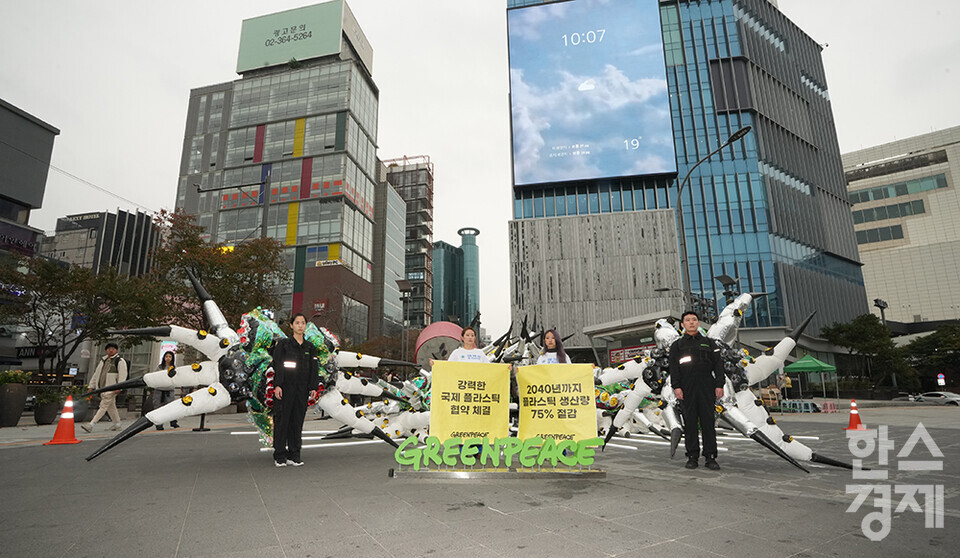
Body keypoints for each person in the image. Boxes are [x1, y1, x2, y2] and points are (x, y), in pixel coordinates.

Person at [669, 311, 725, 471]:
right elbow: (674, 368)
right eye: (687, 320)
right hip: (686, 388)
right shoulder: (677, 345)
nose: (691, 323)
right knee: (690, 422)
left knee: (708, 422)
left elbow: (718, 365)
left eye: (694, 320)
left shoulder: (709, 343)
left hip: (707, 386)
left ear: (698, 323)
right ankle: (692, 456)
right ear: (682, 325)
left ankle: (710, 457)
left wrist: (719, 384)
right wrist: (676, 387)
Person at [270, 313, 320, 467]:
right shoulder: (284, 345)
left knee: (297, 422)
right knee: (282, 421)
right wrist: (277, 385)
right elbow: (278, 365)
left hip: (302, 389)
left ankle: (294, 454)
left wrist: (313, 387)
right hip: (285, 388)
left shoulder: (309, 347)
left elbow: (314, 369)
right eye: (297, 323)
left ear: (306, 326)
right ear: (291, 326)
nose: (300, 325)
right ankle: (280, 455)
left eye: (303, 323)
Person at [82, 342, 128, 433]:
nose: (111, 350)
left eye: (113, 348)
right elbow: (96, 375)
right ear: (106, 350)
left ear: (116, 350)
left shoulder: (119, 361)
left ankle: (91, 424)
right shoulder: (103, 361)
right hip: (103, 387)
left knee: (103, 406)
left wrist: (119, 386)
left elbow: (123, 375)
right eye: (109, 348)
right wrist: (91, 386)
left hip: (111, 388)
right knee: (111, 406)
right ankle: (117, 424)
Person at [152, 351, 181, 430]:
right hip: (159, 390)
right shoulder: (160, 367)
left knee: (171, 407)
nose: (168, 358)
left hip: (169, 390)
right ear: (164, 358)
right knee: (158, 407)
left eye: (170, 357)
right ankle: (159, 424)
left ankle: (173, 422)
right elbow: (155, 376)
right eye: (166, 356)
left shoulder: (174, 368)